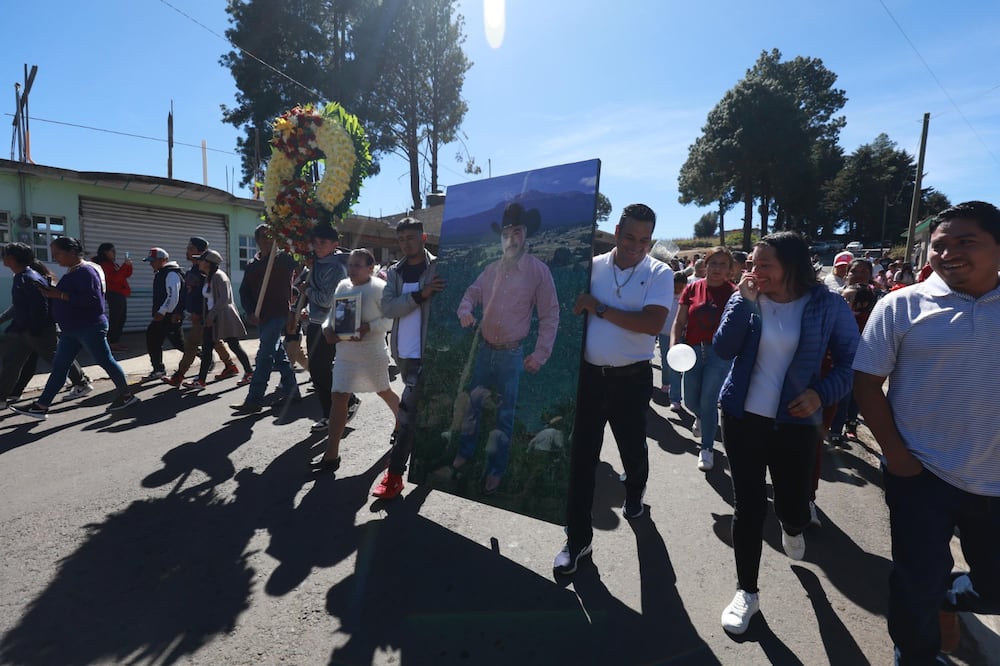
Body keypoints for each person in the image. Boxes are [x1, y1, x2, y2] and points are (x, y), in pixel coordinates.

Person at [853, 201, 1000, 664]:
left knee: (994, 588)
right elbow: (866, 383)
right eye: (939, 245)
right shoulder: (900, 305)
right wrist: (897, 457)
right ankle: (915, 654)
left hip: (994, 479)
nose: (948, 253)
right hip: (921, 473)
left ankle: (949, 598)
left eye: (965, 242)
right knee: (916, 583)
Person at [712, 231, 858, 635]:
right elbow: (723, 349)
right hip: (742, 418)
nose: (754, 271)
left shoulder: (827, 305)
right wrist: (744, 303)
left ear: (791, 266)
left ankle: (792, 525)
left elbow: (852, 361)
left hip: (795, 424)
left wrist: (820, 394)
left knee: (792, 506)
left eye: (764, 265)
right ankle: (747, 592)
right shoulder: (745, 297)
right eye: (752, 263)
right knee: (748, 506)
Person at [553, 203, 672, 575]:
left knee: (632, 448)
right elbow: (571, 310)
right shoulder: (591, 267)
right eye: (630, 236)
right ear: (617, 231)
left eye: (644, 240)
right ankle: (577, 539)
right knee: (581, 460)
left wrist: (600, 308)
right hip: (589, 378)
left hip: (631, 380)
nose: (636, 246)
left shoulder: (659, 272)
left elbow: (652, 324)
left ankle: (635, 490)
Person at [453, 202, 559, 495]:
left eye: (517, 233)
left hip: (512, 355)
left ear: (526, 235)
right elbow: (472, 293)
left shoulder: (538, 272)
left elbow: (550, 315)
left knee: (505, 414)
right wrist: (465, 310)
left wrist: (540, 354)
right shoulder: (490, 270)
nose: (511, 239)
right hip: (484, 350)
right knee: (473, 404)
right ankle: (465, 451)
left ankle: (496, 469)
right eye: (506, 234)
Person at [10, 237, 139, 418]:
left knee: (105, 361)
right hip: (71, 330)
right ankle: (41, 406)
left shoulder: (86, 271)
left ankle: (126, 395)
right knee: (60, 366)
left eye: (58, 254)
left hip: (89, 327)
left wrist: (59, 295)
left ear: (71, 252)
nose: (55, 258)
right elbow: (71, 294)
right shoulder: (74, 271)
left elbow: (94, 302)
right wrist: (52, 292)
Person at [373, 218, 445, 499]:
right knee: (423, 413)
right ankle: (433, 466)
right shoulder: (395, 271)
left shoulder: (438, 266)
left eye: (411, 237)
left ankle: (394, 475)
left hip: (430, 354)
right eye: (401, 239)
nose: (406, 243)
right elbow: (389, 308)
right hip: (403, 353)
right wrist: (420, 295)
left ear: (423, 237)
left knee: (406, 415)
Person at [313, 249, 399, 470]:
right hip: (345, 354)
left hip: (371, 352)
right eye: (350, 265)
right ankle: (331, 454)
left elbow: (391, 320)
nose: (352, 269)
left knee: (384, 391)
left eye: (357, 265)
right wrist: (327, 329)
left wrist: (369, 327)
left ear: (371, 267)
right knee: (338, 396)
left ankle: (403, 424)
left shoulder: (380, 289)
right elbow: (332, 315)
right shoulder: (343, 286)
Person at [671, 246, 737, 471]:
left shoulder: (734, 293)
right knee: (690, 400)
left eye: (723, 264)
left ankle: (707, 448)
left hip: (720, 355)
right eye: (713, 263)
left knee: (709, 400)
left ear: (730, 269)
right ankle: (702, 417)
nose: (717, 269)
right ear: (705, 265)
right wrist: (673, 346)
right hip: (692, 351)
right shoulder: (692, 288)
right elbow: (679, 322)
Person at [0, 243, 92, 403]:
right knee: (11, 363)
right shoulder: (21, 276)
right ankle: (2, 397)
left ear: (12, 258)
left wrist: (36, 330)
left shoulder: (29, 278)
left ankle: (81, 382)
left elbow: (41, 306)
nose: (3, 258)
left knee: (58, 359)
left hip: (38, 331)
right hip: (23, 330)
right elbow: (19, 306)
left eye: (5, 255)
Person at [232, 224, 300, 414]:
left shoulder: (284, 259)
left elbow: (299, 259)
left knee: (264, 356)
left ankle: (254, 399)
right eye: (264, 236)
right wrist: (250, 312)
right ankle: (292, 391)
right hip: (261, 316)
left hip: (278, 313)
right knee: (279, 356)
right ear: (257, 241)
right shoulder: (252, 265)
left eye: (272, 236)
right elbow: (244, 291)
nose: (268, 239)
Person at [297, 224, 359, 432]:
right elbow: (313, 294)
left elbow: (327, 299)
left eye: (323, 242)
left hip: (332, 325)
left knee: (321, 370)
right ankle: (344, 403)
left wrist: (307, 291)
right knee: (318, 371)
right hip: (316, 323)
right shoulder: (316, 264)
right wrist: (306, 307)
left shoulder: (335, 268)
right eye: (315, 242)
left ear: (335, 245)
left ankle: (334, 411)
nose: (318, 246)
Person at [162, 237, 239, 387]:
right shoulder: (191, 271)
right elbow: (185, 294)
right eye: (188, 248)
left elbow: (208, 296)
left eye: (191, 248)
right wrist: (179, 311)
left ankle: (179, 376)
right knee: (214, 341)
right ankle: (230, 366)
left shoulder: (206, 273)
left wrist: (199, 313)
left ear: (201, 252)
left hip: (205, 316)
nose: (187, 251)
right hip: (199, 316)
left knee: (192, 344)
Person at [183, 250, 253, 389]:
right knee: (207, 347)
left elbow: (224, 299)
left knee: (233, 345)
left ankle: (249, 372)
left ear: (208, 263)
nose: (198, 262)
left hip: (223, 317)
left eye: (201, 260)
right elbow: (209, 300)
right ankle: (201, 380)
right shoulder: (208, 277)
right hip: (212, 318)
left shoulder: (220, 277)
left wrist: (211, 315)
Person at [142, 247, 185, 380]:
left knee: (178, 343)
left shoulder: (171, 274)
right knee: (152, 337)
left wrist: (162, 311)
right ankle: (158, 369)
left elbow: (173, 296)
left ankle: (203, 356)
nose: (151, 264)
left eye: (153, 261)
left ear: (163, 260)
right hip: (163, 315)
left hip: (170, 316)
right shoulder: (161, 273)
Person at [92, 242, 132, 350]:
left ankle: (115, 341)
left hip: (120, 293)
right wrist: (124, 266)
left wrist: (128, 265)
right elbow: (115, 278)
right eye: (112, 251)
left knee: (121, 318)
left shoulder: (113, 264)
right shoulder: (104, 265)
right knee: (116, 318)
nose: (115, 253)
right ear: (105, 252)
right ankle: (112, 342)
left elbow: (126, 275)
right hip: (113, 293)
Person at [658, 271, 688, 409]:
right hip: (664, 334)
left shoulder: (687, 296)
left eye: (680, 287)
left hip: (680, 335)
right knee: (666, 362)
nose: (677, 290)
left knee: (676, 366)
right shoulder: (665, 294)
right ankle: (666, 383)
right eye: (675, 287)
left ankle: (675, 398)